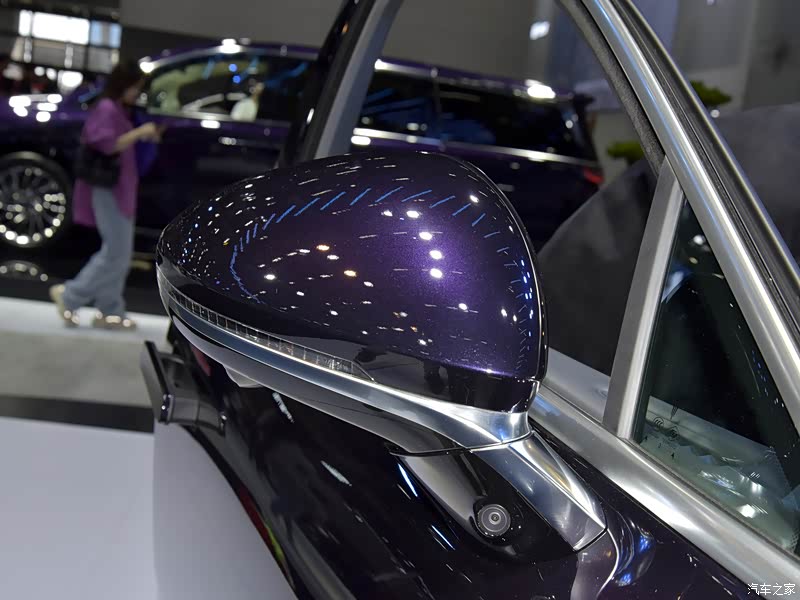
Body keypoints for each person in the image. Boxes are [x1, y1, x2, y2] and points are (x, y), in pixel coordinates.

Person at [49, 60, 161, 330]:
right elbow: (107, 144)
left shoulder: (117, 109)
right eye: (135, 87)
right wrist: (140, 132)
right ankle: (71, 295)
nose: (137, 92)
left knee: (119, 253)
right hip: (109, 189)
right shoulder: (107, 109)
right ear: (124, 84)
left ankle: (109, 310)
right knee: (115, 252)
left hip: (120, 189)